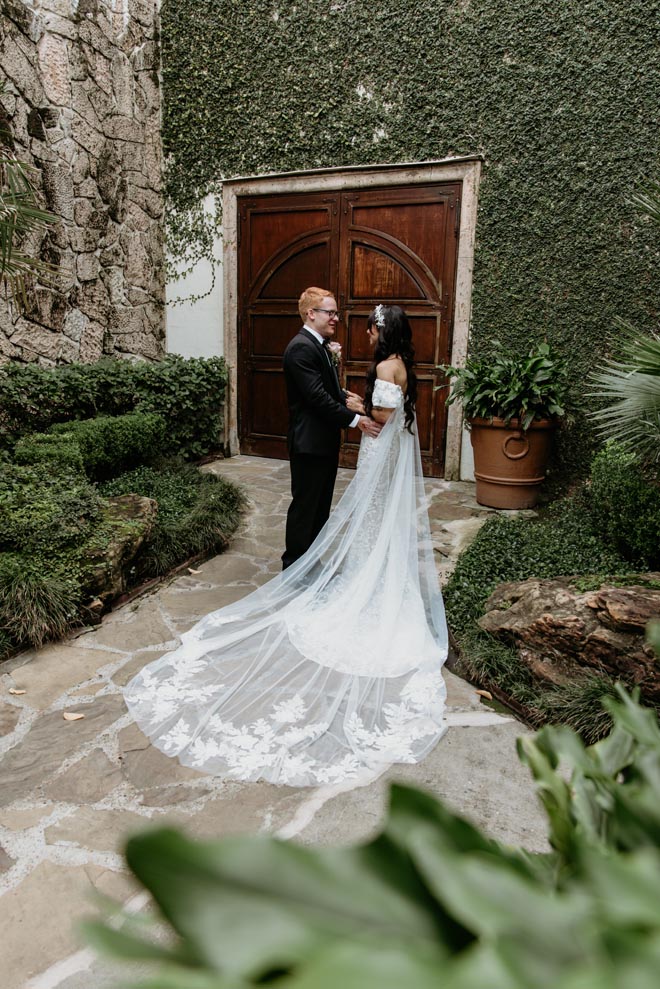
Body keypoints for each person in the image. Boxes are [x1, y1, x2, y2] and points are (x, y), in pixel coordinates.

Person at [124, 304, 448, 787]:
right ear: (311, 313)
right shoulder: (360, 357)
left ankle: (326, 576)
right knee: (341, 517)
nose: (357, 327)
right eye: (334, 314)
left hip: (376, 452)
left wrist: (360, 412)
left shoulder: (383, 365)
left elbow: (380, 411)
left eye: (369, 324)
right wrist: (356, 409)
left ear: (384, 331)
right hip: (368, 447)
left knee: (352, 518)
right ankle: (316, 570)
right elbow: (353, 402)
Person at [281, 286, 381, 569]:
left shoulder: (319, 345)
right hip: (309, 443)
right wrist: (356, 421)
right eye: (330, 312)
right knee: (305, 508)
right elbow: (315, 397)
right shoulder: (301, 347)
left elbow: (327, 389)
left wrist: (349, 398)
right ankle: (294, 568)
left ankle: (311, 564)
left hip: (323, 441)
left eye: (336, 313)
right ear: (311, 314)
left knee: (320, 510)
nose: (336, 318)